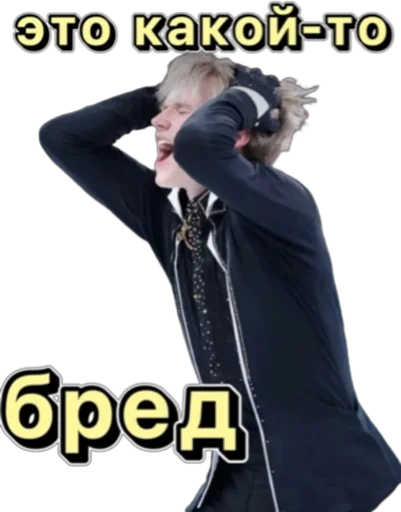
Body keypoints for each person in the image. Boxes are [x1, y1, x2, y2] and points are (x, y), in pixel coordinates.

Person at [39, 53, 401, 511]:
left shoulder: (281, 205)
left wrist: (250, 97)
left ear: (237, 132)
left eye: (183, 113)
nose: (157, 122)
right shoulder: (169, 216)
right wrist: (168, 96)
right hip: (239, 476)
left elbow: (200, 147)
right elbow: (65, 139)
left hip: (328, 483)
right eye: (163, 111)